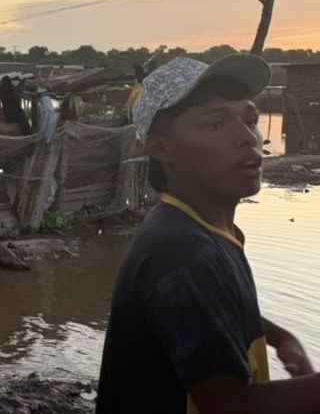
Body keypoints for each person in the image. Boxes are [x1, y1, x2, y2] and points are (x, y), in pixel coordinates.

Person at [96, 54, 317, 414]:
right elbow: (230, 407)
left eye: (251, 120)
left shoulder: (202, 228)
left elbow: (209, 307)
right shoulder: (182, 253)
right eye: (215, 125)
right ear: (159, 147)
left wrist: (280, 337)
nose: (247, 138)